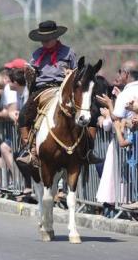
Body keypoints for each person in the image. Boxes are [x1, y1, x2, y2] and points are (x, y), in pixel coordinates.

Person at [16, 21, 88, 169]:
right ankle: (29, 149)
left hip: (63, 87)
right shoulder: (36, 54)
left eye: (48, 38)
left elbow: (77, 73)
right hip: (41, 89)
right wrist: (29, 75)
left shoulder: (68, 52)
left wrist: (71, 74)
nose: (45, 42)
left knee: (85, 111)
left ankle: (87, 148)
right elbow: (32, 76)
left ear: (56, 37)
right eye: (43, 39)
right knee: (23, 114)